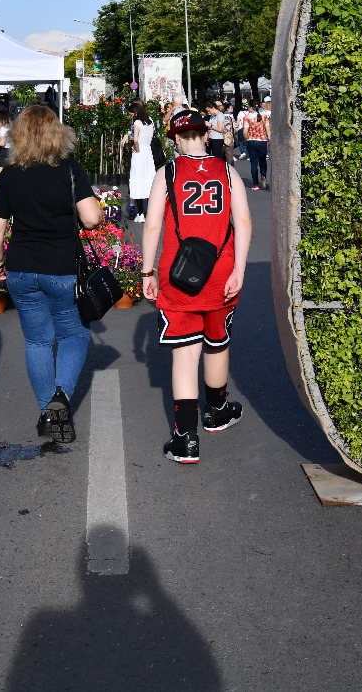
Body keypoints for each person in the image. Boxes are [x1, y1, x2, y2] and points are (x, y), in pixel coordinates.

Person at [140, 109, 252, 464]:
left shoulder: (166, 173)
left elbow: (153, 226)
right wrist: (239, 270)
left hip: (179, 274)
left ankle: (186, 439)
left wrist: (147, 272)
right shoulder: (227, 171)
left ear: (174, 139)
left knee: (185, 353)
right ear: (206, 135)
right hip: (221, 273)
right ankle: (217, 410)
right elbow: (244, 222)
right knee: (217, 344)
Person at [0, 106, 103, 444]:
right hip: (62, 266)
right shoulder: (69, 170)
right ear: (57, 133)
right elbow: (92, 218)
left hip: (22, 267)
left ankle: (47, 413)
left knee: (37, 341)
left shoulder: (10, 174)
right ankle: (61, 399)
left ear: (19, 136)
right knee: (74, 335)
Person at [126, 101, 156, 223]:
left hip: (139, 153)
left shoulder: (137, 122)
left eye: (131, 113)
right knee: (148, 181)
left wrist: (136, 148)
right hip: (148, 152)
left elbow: (136, 139)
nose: (130, 116)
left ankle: (140, 213)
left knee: (138, 181)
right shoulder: (150, 121)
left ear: (135, 112)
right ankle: (148, 213)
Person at [237, 100, 269, 191]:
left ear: (251, 107)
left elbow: (244, 132)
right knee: (263, 161)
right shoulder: (264, 116)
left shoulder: (247, 117)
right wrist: (269, 140)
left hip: (251, 140)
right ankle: (263, 176)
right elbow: (268, 129)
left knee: (253, 163)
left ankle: (255, 184)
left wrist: (246, 140)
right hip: (262, 140)